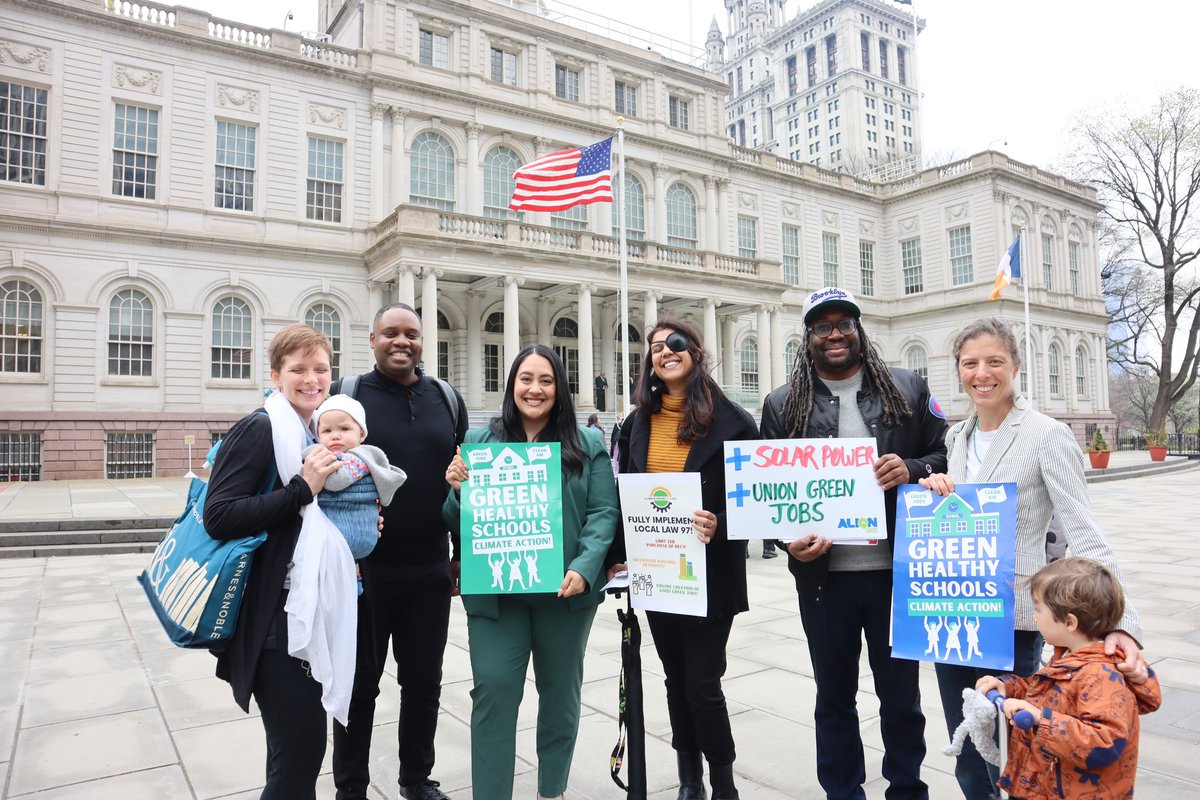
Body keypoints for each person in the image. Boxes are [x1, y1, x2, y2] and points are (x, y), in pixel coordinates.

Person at [918, 317, 1146, 800]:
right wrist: (938, 490)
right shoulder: (955, 438)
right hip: (951, 611)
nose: (982, 373)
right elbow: (960, 515)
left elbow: (1084, 529)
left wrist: (1121, 623)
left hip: (1013, 616)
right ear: (958, 369)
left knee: (1013, 749)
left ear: (1015, 367)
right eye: (970, 363)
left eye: (994, 361)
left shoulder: (1046, 434)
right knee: (966, 739)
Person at [760, 287, 948, 800]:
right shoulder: (782, 403)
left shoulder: (907, 388)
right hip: (824, 581)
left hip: (896, 572)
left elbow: (944, 453)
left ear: (859, 330)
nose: (835, 334)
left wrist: (911, 468)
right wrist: (786, 540)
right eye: (823, 326)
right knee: (834, 698)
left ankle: (907, 788)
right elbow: (767, 495)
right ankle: (842, 792)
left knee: (901, 696)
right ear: (809, 338)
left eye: (844, 323)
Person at [442, 344, 619, 800]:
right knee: (494, 692)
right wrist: (458, 490)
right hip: (497, 594)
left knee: (560, 697)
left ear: (560, 388)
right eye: (526, 379)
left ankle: (551, 790)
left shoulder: (588, 443)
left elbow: (602, 513)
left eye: (546, 380)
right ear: (512, 385)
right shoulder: (480, 443)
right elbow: (454, 518)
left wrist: (584, 567)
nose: (535, 389)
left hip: (565, 593)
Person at [607, 317, 759, 800]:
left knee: (703, 686)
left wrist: (721, 521)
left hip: (710, 577)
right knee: (675, 682)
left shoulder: (735, 421)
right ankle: (689, 779)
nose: (664, 352)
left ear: (695, 351)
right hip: (658, 575)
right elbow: (624, 497)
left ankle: (723, 782)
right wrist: (617, 559)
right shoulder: (636, 423)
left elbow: (753, 500)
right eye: (654, 347)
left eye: (674, 344)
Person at [204, 324, 346, 800]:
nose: (312, 379)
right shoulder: (262, 427)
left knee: (293, 755)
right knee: (299, 760)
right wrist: (300, 490)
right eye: (298, 370)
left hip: (299, 611)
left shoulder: (309, 432)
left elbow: (304, 524)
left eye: (321, 369)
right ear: (275, 375)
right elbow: (219, 516)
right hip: (273, 624)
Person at [332, 303, 468, 800]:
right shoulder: (348, 397)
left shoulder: (446, 399)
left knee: (423, 683)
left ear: (422, 341)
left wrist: (459, 554)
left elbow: (463, 480)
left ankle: (416, 778)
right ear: (372, 339)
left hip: (430, 566)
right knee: (358, 683)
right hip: (365, 571)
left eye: (411, 333)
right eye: (390, 333)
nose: (401, 342)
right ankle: (351, 786)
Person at [976, 558, 1160, 799]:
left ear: (1070, 622)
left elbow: (1104, 743)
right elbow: (1048, 694)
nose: (1034, 617)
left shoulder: (1100, 675)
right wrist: (1008, 687)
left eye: (1039, 609)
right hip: (1051, 785)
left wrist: (1041, 721)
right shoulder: (1070, 658)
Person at [304, 394, 408, 592]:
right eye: (326, 430)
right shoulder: (328, 454)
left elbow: (335, 482)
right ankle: (354, 583)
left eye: (344, 429)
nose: (335, 435)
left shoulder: (359, 458)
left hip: (349, 531)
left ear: (361, 434)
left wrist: (309, 454)